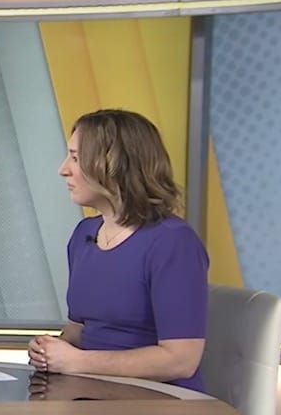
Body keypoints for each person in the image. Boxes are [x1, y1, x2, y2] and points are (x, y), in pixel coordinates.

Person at [27, 109, 208, 392]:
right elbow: (78, 330)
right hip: (91, 393)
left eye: (75, 158)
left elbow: (181, 360)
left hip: (162, 403)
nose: (63, 169)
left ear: (114, 165)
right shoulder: (84, 235)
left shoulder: (173, 242)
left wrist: (77, 361)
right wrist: (50, 349)